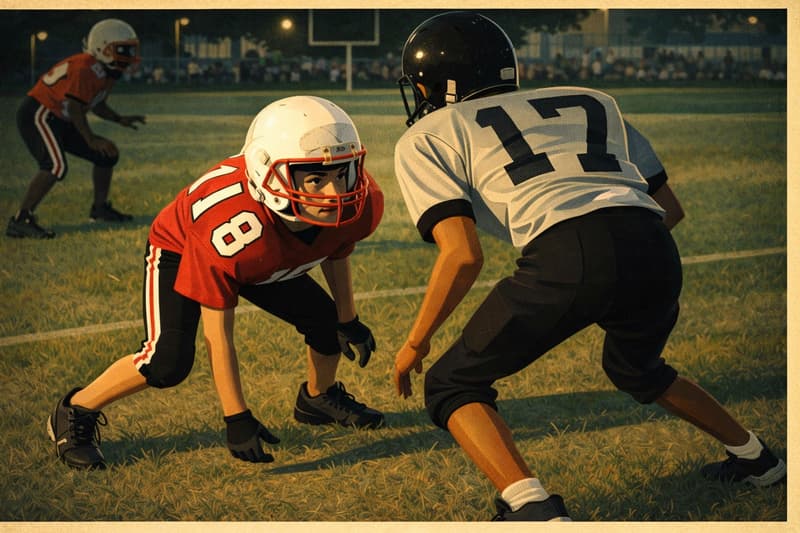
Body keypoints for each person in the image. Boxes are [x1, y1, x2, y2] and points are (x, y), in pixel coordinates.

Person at [391, 11, 786, 521]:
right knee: (636, 368)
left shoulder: (429, 134)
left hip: (568, 249)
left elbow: (462, 254)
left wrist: (415, 342)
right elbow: (672, 207)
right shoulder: (594, 100)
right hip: (653, 245)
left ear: (437, 83)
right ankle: (759, 460)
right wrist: (613, 265)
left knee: (451, 383)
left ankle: (532, 509)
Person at [48, 95, 384, 470]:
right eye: (316, 178)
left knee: (326, 320)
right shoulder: (233, 229)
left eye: (342, 173)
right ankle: (75, 409)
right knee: (167, 362)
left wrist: (348, 318)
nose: (336, 193)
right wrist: (236, 416)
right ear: (266, 171)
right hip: (187, 246)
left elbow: (336, 250)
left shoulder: (360, 199)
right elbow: (219, 335)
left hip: (262, 252)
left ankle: (317, 398)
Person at [7, 18, 146, 239]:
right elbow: (74, 107)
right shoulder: (85, 66)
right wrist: (90, 139)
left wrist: (120, 119)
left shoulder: (107, 70)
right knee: (55, 166)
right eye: (123, 49)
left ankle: (99, 208)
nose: (129, 55)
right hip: (41, 112)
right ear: (103, 47)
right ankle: (21, 219)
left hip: (61, 118)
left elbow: (96, 104)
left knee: (106, 154)